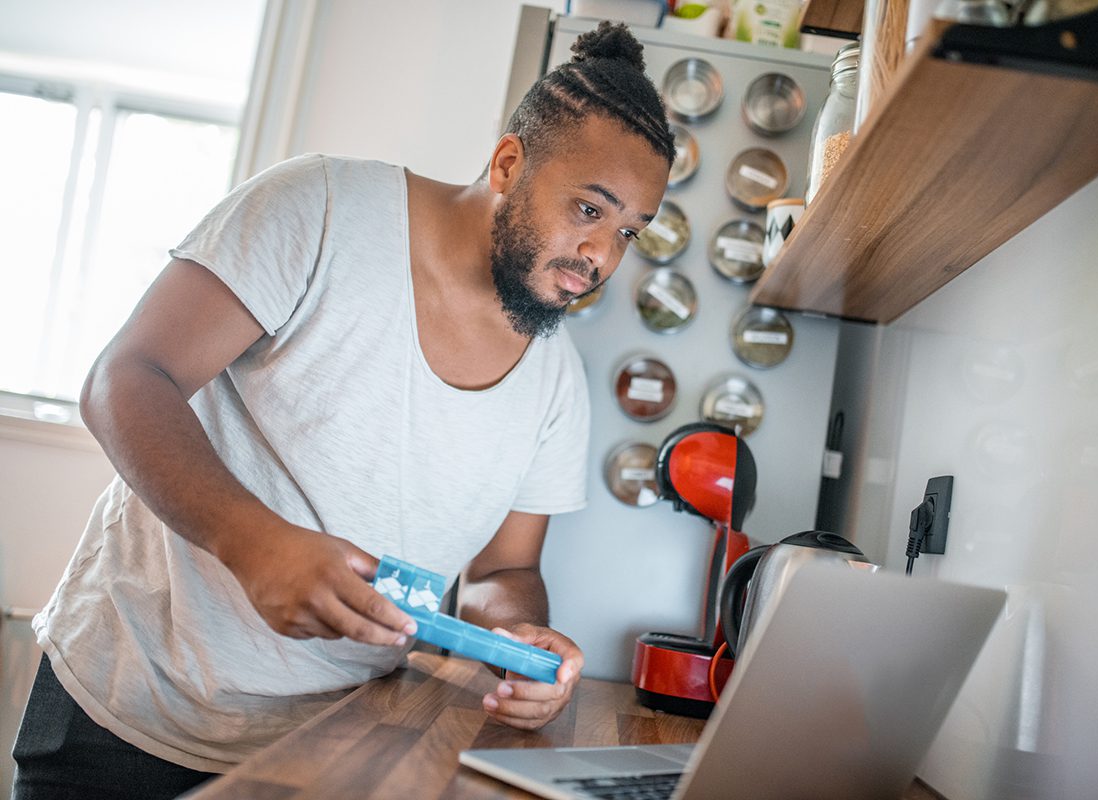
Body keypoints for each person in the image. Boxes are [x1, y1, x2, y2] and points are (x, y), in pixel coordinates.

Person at [11, 21, 673, 800]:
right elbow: (126, 377)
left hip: (335, 747)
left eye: (628, 230)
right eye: (588, 210)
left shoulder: (557, 383)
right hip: (130, 712)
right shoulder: (321, 209)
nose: (601, 258)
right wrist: (255, 544)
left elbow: (504, 569)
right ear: (507, 163)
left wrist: (514, 641)